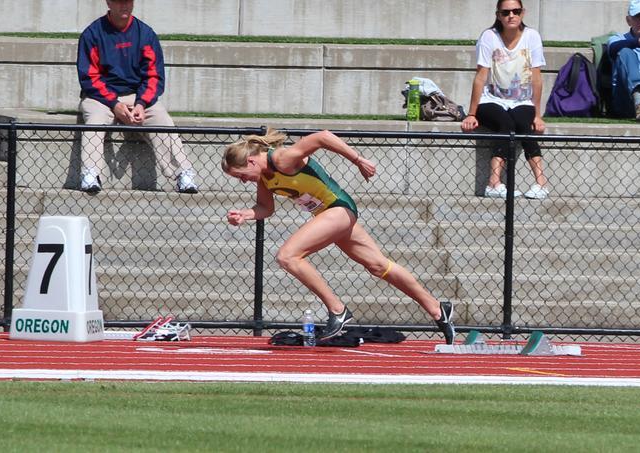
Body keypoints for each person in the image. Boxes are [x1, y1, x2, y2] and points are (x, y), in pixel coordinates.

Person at [221, 128, 455, 344]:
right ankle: (437, 309)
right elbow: (265, 208)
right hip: (329, 215)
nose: (243, 181)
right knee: (378, 265)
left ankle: (337, 310)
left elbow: (322, 136)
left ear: (251, 161)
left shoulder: (282, 158)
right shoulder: (265, 178)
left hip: (338, 209)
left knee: (288, 256)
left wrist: (358, 160)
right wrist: (245, 214)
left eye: (241, 175)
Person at [76, 0, 198, 194]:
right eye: (118, 1)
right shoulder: (92, 33)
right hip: (100, 97)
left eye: (128, 1)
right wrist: (114, 104)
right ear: (108, 2)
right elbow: (89, 77)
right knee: (95, 120)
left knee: (162, 119)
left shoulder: (146, 34)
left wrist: (141, 103)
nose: (124, 6)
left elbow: (153, 76)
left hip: (137, 96)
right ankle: (90, 173)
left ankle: (183, 173)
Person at [461, 0, 549, 200]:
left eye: (516, 11)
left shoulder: (532, 37)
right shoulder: (489, 37)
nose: (511, 15)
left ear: (522, 13)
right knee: (506, 123)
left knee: (524, 125)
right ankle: (493, 183)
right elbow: (481, 76)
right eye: (506, 12)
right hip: (490, 99)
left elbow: (536, 78)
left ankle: (541, 182)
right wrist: (472, 113)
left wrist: (537, 115)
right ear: (498, 15)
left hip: (522, 101)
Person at [608, 0, 640, 122]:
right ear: (628, 20)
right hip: (627, 101)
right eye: (637, 16)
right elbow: (612, 48)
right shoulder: (618, 39)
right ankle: (638, 98)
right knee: (625, 52)